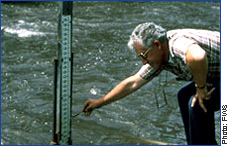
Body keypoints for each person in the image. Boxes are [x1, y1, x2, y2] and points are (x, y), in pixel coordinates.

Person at [83, 22, 220, 145]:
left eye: (144, 55)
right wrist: (99, 102)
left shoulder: (176, 45)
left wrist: (200, 88)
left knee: (197, 103)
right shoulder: (160, 56)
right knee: (184, 96)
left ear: (157, 45)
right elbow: (133, 82)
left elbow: (198, 56)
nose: (143, 62)